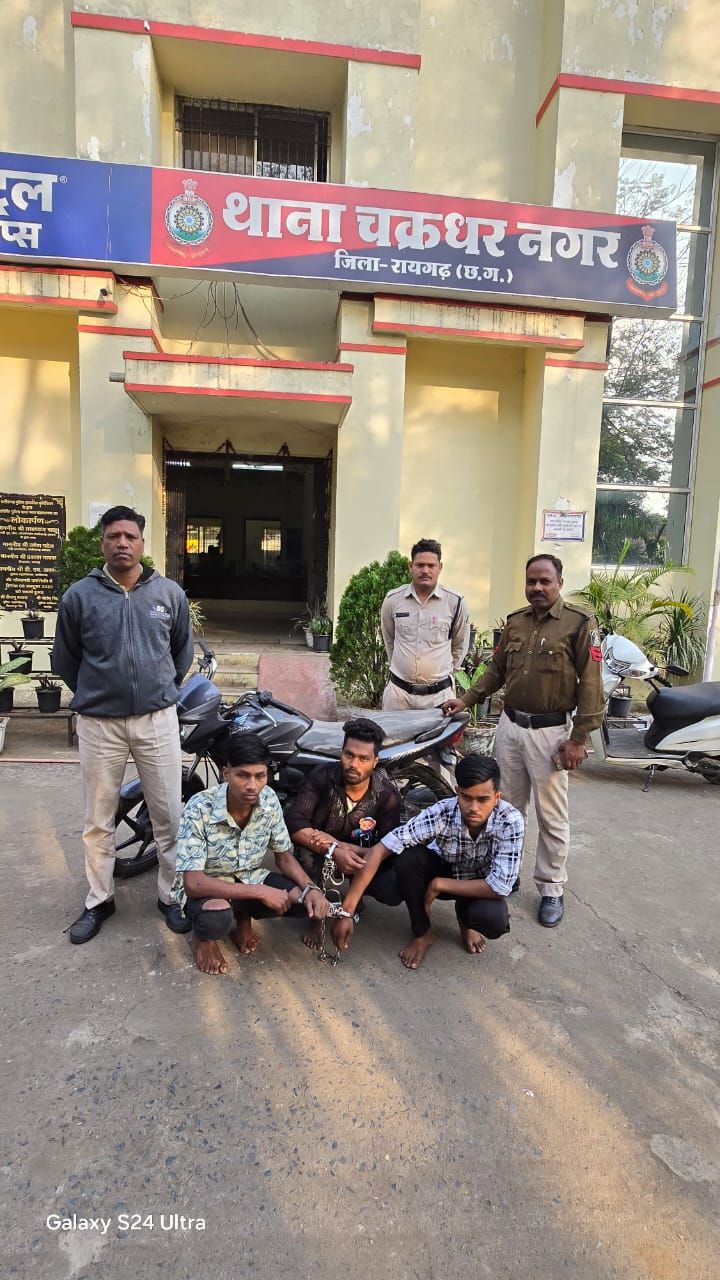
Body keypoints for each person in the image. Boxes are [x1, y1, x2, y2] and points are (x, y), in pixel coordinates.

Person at [52, 505, 194, 944]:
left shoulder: (168, 594)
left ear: (142, 543)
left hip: (156, 720)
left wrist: (157, 690)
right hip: (100, 724)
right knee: (98, 819)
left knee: (169, 815)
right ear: (102, 542)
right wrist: (98, 694)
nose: (122, 544)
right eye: (113, 536)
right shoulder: (79, 597)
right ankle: (99, 900)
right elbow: (66, 660)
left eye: (130, 536)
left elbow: (181, 653)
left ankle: (171, 897)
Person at [442, 554, 604, 928]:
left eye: (545, 581)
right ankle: (506, 872)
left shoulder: (579, 624)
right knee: (505, 809)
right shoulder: (515, 622)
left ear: (559, 582)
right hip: (510, 728)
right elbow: (496, 671)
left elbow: (592, 685)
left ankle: (551, 888)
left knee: (551, 816)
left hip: (551, 733)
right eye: (532, 581)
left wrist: (578, 738)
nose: (537, 587)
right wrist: (466, 699)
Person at [328, 754, 523, 970]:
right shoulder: (444, 810)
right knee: (407, 860)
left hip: (477, 883)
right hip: (445, 867)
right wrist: (346, 911)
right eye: (466, 797)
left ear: (497, 797)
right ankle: (423, 933)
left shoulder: (510, 821)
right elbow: (384, 847)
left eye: (483, 799)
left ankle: (465, 918)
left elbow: (500, 886)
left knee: (493, 919)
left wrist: (439, 884)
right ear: (457, 792)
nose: (474, 808)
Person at [171, 734, 331, 975]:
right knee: (216, 919)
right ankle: (203, 939)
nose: (252, 786)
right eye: (243, 775)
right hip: (208, 885)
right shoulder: (199, 807)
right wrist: (259, 891)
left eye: (260, 776)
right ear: (226, 774)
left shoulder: (269, 800)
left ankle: (243, 917)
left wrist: (312, 889)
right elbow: (193, 883)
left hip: (249, 876)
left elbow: (284, 858)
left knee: (302, 901)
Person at [284, 717, 404, 949]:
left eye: (363, 759)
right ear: (341, 752)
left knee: (390, 886)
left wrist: (346, 849)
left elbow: (390, 846)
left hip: (362, 857)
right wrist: (333, 849)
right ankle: (317, 915)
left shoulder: (387, 795)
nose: (353, 764)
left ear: (375, 761)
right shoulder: (322, 776)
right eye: (349, 755)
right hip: (320, 852)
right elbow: (295, 822)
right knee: (305, 857)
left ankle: (352, 899)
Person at [381, 538, 470, 710]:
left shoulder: (455, 602)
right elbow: (389, 640)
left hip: (439, 697)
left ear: (440, 567)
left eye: (431, 565)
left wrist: (440, 672)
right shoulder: (393, 600)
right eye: (420, 565)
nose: (425, 570)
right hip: (399, 696)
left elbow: (460, 645)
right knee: (392, 730)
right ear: (410, 566)